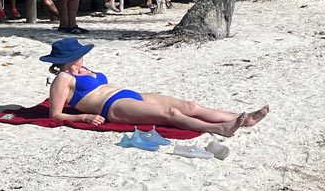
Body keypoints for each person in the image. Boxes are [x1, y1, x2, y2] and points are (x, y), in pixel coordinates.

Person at [41, 37, 269, 134]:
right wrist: (83, 118)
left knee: (190, 105)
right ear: (66, 60)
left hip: (128, 95)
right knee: (171, 114)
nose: (81, 59)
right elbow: (56, 114)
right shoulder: (63, 79)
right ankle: (220, 129)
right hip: (111, 107)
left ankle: (245, 118)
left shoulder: (82, 70)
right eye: (77, 57)